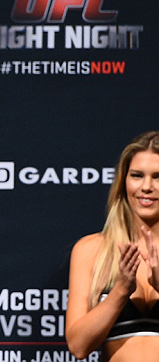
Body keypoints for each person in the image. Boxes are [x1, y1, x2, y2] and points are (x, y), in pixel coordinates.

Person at [66, 131, 159, 361]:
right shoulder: (91, 250)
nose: (146, 186)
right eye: (137, 175)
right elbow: (78, 346)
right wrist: (121, 290)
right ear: (123, 182)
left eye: (158, 177)